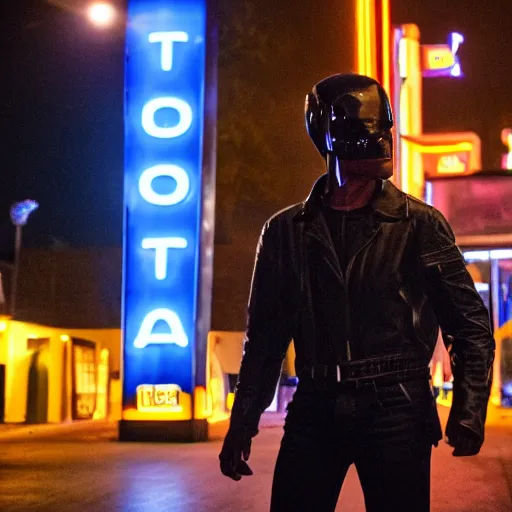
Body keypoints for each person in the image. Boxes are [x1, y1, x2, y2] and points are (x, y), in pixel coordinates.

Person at [219, 73, 495, 512]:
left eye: (384, 127)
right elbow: (265, 339)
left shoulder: (419, 225)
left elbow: (470, 327)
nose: (382, 140)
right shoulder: (285, 232)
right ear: (328, 136)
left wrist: (469, 409)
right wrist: (242, 423)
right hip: (314, 405)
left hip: (397, 409)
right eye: (366, 129)